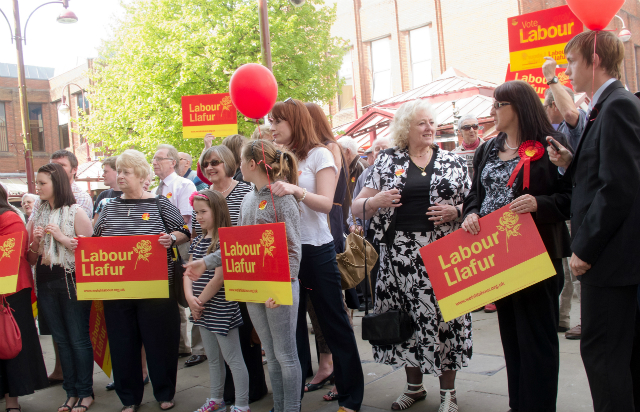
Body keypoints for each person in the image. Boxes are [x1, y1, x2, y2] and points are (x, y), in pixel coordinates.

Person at [352, 99, 472, 412]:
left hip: (443, 252)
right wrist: (376, 199)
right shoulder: (387, 160)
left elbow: (474, 204)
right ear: (407, 127)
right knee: (404, 320)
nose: (429, 128)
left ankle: (448, 393)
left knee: (448, 318)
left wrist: (455, 211)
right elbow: (357, 206)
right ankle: (414, 387)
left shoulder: (453, 161)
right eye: (422, 123)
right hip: (399, 257)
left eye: (432, 122)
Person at [462, 80, 572, 412]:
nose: (492, 111)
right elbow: (474, 197)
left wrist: (540, 203)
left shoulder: (549, 144)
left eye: (498, 105)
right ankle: (517, 405)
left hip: (535, 253)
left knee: (536, 340)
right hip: (497, 255)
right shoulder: (487, 148)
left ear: (517, 107)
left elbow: (570, 197)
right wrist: (470, 214)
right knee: (511, 339)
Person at [546, 31, 640, 412]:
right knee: (616, 358)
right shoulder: (607, 106)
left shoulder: (617, 105)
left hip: (610, 261)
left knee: (603, 356)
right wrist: (571, 163)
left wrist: (584, 248)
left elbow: (619, 187)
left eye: (571, 62)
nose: (567, 70)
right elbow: (605, 173)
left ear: (594, 59)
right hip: (613, 262)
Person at [269, 98, 364, 412]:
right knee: (289, 328)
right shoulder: (280, 157)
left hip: (316, 249)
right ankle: (289, 400)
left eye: (277, 121)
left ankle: (351, 397)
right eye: (271, 121)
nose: (272, 127)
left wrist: (298, 190)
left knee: (333, 322)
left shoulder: (320, 153)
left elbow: (326, 203)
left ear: (293, 122)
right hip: (285, 251)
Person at [94, 149, 190, 412]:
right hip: (118, 289)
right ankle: (129, 398)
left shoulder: (159, 203)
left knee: (160, 341)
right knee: (123, 344)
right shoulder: (109, 206)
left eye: (126, 172)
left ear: (140, 175)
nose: (120, 176)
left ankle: (164, 393)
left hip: (156, 287)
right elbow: (96, 241)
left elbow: (184, 231)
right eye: (119, 171)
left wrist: (170, 238)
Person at [193, 145, 267, 404]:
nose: (210, 167)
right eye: (205, 164)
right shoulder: (202, 197)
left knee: (246, 337)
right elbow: (197, 234)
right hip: (213, 271)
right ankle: (225, 395)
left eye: (215, 162)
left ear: (227, 162)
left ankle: (251, 393)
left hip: (243, 272)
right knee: (219, 349)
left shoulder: (246, 190)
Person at [239, 140, 302, 412]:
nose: (238, 167)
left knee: (286, 355)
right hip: (254, 286)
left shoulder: (283, 199)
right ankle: (278, 406)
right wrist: (206, 262)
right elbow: (239, 245)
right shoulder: (247, 197)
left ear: (252, 164)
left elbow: (293, 249)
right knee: (271, 354)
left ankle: (291, 407)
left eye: (241, 161)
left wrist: (282, 287)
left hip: (279, 288)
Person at [26, 163, 94, 412]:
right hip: (45, 283)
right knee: (62, 341)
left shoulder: (76, 212)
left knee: (78, 339)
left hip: (72, 282)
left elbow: (89, 254)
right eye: (37, 182)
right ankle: (71, 392)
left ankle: (86, 393)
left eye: (42, 182)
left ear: (57, 183)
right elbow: (31, 259)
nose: (38, 187)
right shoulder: (38, 214)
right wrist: (34, 243)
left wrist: (62, 238)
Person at [303, 102, 353, 399]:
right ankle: (326, 363)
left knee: (334, 306)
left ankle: (339, 370)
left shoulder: (327, 149)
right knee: (313, 305)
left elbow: (328, 195)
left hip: (326, 226)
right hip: (311, 229)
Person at [186, 189, 249, 412]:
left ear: (217, 210)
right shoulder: (198, 240)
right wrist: (190, 300)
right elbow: (188, 272)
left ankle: (242, 404)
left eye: (203, 212)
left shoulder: (224, 241)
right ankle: (216, 399)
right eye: (196, 213)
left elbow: (219, 278)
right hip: (201, 309)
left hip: (221, 307)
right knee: (213, 358)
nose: (199, 217)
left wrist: (198, 302)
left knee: (233, 359)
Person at [541, 64, 587, 338]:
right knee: (570, 271)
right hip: (571, 208)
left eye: (549, 105)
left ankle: (580, 317)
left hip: (575, 208)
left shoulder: (572, 124)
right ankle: (564, 316)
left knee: (576, 267)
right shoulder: (554, 131)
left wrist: (551, 77)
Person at [0, 184, 49, 412]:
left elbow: (10, 253)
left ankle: (12, 401)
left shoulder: (10, 217)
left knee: (11, 345)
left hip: (10, 293)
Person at [151, 144, 199, 363]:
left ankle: (196, 347)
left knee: (188, 296)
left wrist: (172, 238)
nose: (154, 162)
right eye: (153, 159)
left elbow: (187, 224)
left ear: (173, 161)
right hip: (161, 251)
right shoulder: (154, 190)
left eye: (159, 158)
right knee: (170, 298)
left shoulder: (184, 185)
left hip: (181, 247)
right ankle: (180, 346)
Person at [347, 137, 390, 310]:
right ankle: (372, 300)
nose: (380, 151)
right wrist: (353, 223)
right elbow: (355, 201)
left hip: (391, 231)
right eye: (377, 148)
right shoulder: (366, 174)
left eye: (384, 148)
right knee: (371, 268)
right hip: (369, 230)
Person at [29, 150, 93, 221]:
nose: (55, 169)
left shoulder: (81, 198)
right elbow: (31, 226)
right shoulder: (42, 197)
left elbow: (81, 230)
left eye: (61, 165)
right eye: (52, 165)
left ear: (74, 170)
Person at [337, 137, 366, 235]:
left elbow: (364, 196)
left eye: (339, 152)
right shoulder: (346, 168)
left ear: (348, 152)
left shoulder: (361, 167)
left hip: (357, 225)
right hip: (347, 224)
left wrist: (358, 221)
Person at [93, 157, 123, 221]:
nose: (103, 175)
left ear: (118, 172)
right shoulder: (103, 195)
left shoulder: (132, 196)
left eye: (106, 172)